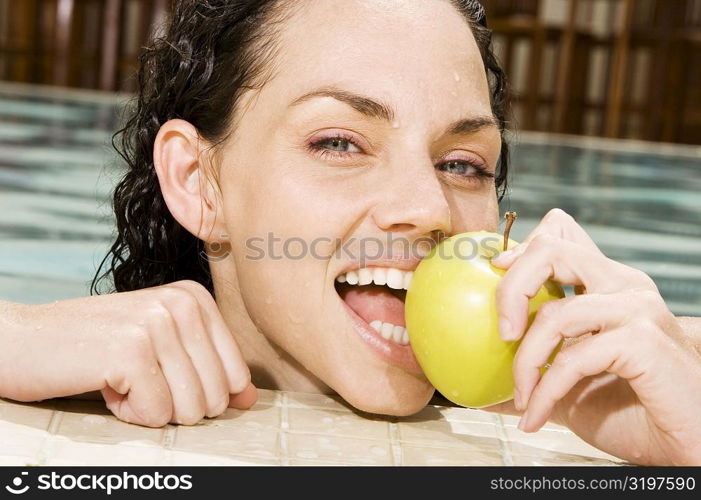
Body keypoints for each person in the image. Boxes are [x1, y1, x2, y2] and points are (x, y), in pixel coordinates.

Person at [0, 0, 699, 465]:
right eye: (339, 142)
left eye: (462, 163)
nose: (425, 208)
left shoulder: (636, 370)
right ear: (196, 181)